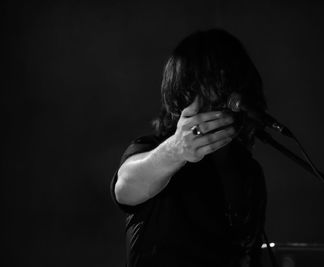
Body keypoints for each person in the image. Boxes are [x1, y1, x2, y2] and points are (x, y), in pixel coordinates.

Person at [111, 29, 267, 267]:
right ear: (185, 91)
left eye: (229, 82)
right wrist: (176, 150)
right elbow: (125, 188)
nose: (221, 95)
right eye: (211, 83)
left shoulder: (248, 171)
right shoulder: (151, 149)